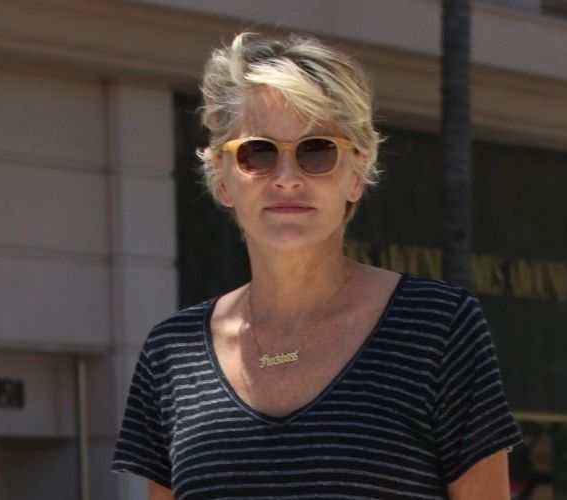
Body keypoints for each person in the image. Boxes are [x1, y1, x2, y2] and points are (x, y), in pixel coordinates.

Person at [112, 31, 522, 499]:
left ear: (356, 174)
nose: (287, 179)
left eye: (317, 150)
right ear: (222, 179)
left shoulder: (438, 326)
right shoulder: (172, 352)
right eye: (258, 153)